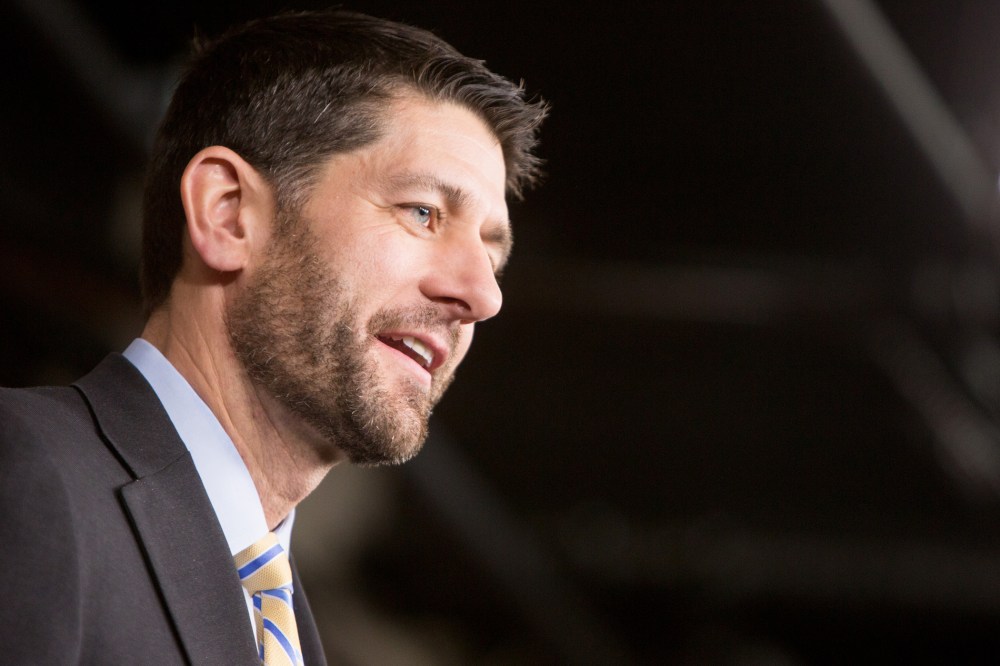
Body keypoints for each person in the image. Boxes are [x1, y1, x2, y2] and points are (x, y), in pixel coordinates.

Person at [0, 9, 545, 665]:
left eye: (494, 256)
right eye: (423, 212)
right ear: (229, 214)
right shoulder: (25, 473)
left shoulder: (281, 620)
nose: (483, 296)